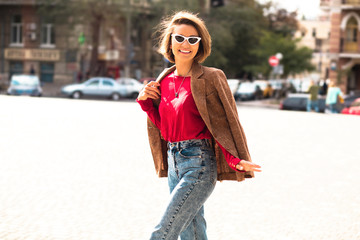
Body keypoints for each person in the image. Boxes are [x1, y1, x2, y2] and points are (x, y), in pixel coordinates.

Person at [136, 11, 261, 240]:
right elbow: (166, 129)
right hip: (175, 161)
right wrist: (146, 105)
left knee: (164, 231)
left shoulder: (212, 77)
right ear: (170, 42)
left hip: (199, 164)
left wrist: (235, 158)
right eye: (180, 38)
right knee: (191, 231)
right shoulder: (164, 79)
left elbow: (224, 123)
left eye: (193, 39)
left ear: (200, 44)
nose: (186, 44)